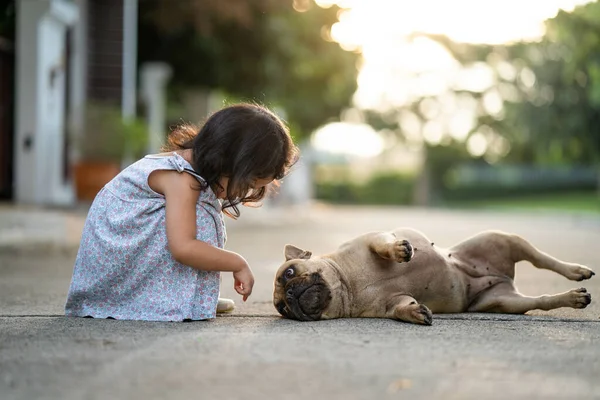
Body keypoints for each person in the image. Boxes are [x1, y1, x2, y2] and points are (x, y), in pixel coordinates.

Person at [65, 103, 299, 321]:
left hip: (120, 261)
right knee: (197, 220)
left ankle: (184, 295)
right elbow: (183, 247)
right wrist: (237, 263)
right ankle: (160, 299)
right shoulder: (180, 177)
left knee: (201, 212)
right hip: (112, 281)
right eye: (247, 184)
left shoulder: (189, 172)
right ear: (228, 160)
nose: (242, 193)